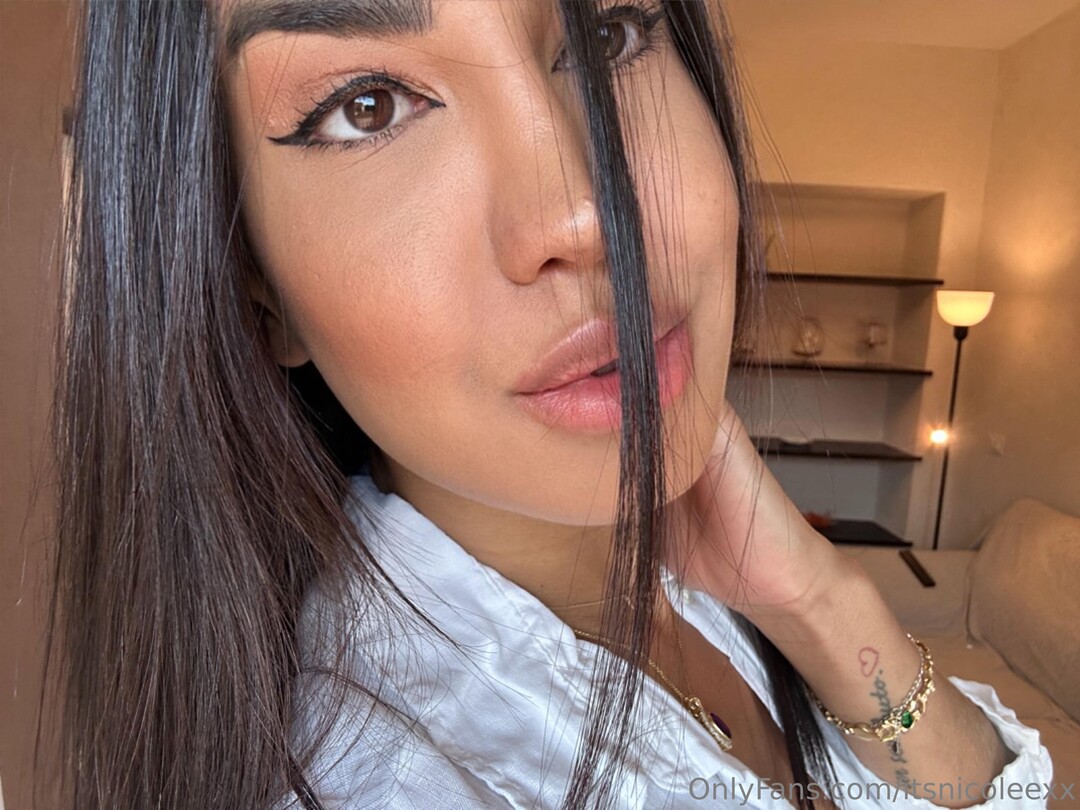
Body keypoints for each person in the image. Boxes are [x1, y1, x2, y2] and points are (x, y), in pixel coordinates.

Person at [44, 0, 1053, 808]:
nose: (587, 213)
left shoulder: (715, 573)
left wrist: (820, 602)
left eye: (611, 35)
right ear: (254, 286)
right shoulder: (384, 776)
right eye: (368, 105)